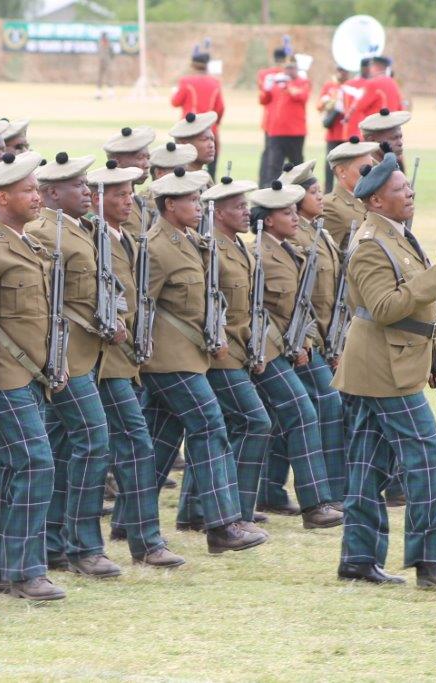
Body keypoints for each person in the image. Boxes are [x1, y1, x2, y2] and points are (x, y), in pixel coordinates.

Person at [335, 152, 436, 588]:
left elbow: (418, 308)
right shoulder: (370, 244)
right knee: (427, 458)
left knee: (368, 464)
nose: (409, 192)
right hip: (383, 369)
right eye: (399, 189)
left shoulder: (396, 234)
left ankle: (358, 560)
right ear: (375, 201)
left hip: (395, 360)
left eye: (407, 187)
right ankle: (428, 561)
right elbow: (385, 307)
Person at [142, 166, 267, 554]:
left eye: (199, 199)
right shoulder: (157, 246)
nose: (199, 206)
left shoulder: (189, 240)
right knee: (210, 425)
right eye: (191, 201)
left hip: (191, 355)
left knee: (160, 441)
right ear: (169, 205)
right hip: (167, 358)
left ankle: (130, 521)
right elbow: (141, 306)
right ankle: (221, 525)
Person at [0, 151, 67, 601]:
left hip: (29, 375)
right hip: (3, 378)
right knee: (36, 462)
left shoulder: (25, 243)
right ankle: (26, 570)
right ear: (1, 197)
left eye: (37, 189)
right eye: (28, 191)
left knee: (5, 465)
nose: (37, 197)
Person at [82, 160, 185, 568]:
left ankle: (128, 533)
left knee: (116, 447)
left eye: (129, 194)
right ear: (97, 199)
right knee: (129, 445)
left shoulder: (126, 238)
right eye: (118, 196)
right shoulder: (91, 239)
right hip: (101, 363)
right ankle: (141, 540)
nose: (128, 202)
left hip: (124, 361)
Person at [27, 152, 116, 578]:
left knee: (66, 447)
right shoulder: (42, 233)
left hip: (87, 353)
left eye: (86, 184)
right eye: (77, 185)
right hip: (63, 357)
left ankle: (53, 542)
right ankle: (84, 546)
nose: (87, 191)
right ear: (50, 193)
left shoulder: (82, 229)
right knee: (94, 440)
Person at [176, 175, 271, 534]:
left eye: (246, 205)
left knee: (221, 427)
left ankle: (194, 509)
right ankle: (239, 511)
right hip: (219, 352)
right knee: (254, 422)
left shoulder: (237, 245)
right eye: (238, 207)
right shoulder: (210, 248)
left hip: (239, 348)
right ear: (218, 213)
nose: (247, 213)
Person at [246, 181, 343, 529]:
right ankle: (316, 504)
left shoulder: (290, 250)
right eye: (286, 213)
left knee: (273, 419)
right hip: (264, 351)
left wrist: (304, 340)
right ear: (269, 221)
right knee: (301, 412)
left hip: (290, 348)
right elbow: (253, 309)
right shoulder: (257, 254)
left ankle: (265, 497)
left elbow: (303, 307)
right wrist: (287, 344)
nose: (294, 218)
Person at [272, 160, 346, 501]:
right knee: (325, 404)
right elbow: (302, 297)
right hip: (302, 337)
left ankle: (270, 488)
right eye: (314, 193)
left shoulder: (319, 230)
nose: (321, 198)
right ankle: (330, 488)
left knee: (285, 414)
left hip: (323, 335)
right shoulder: (295, 235)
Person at [171, 44, 224, 178]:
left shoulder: (186, 81)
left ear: (193, 65)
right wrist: (215, 123)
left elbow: (175, 102)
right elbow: (220, 107)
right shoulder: (215, 82)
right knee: (211, 169)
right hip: (210, 128)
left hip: (188, 130)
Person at [322, 137, 380, 254]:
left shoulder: (373, 199)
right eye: (364, 169)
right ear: (342, 171)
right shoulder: (331, 207)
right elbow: (329, 257)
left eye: (371, 168)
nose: (370, 174)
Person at [259, 56, 310, 185]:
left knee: (297, 165)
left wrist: (287, 85)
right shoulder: (277, 82)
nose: (289, 71)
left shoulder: (302, 82)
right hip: (276, 131)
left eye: (292, 68)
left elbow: (301, 96)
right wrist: (267, 87)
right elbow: (264, 100)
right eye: (287, 68)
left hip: (295, 131)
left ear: (296, 68)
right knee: (274, 166)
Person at [102, 126, 154, 235]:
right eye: (140, 158)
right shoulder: (109, 200)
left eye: (148, 158)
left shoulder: (134, 197)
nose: (147, 165)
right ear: (117, 162)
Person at [343, 55, 402, 136]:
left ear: (376, 66)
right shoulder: (393, 83)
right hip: (392, 130)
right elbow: (400, 108)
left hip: (375, 132)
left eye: (371, 66)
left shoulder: (373, 83)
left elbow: (359, 106)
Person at [257, 45, 289, 185]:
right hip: (287, 122)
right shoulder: (291, 74)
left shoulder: (264, 74)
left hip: (269, 120)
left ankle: (264, 183)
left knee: (268, 154)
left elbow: (263, 96)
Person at [317, 67, 352, 193]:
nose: (342, 73)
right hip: (332, 132)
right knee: (329, 166)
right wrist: (329, 101)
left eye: (344, 71)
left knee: (347, 167)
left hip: (347, 133)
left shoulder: (351, 87)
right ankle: (328, 193)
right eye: (340, 70)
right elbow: (319, 106)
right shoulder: (329, 86)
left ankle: (345, 193)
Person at [168, 112, 217, 177]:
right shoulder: (179, 178)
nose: (211, 145)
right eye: (204, 139)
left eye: (212, 139)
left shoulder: (202, 175)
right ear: (184, 144)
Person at [96, 32, 114, 99]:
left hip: (107, 61)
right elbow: (98, 51)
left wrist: (109, 59)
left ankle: (110, 92)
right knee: (100, 77)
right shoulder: (99, 43)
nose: (104, 38)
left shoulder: (109, 44)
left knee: (109, 77)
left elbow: (112, 53)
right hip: (101, 61)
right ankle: (99, 93)